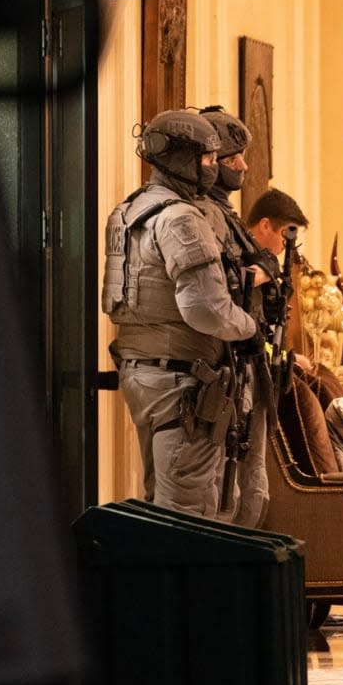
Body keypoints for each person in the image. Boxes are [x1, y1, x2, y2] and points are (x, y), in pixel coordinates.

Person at [101, 109, 260, 518]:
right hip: (182, 380)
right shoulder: (181, 217)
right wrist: (248, 327)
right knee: (190, 511)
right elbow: (206, 311)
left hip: (142, 373)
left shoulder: (128, 210)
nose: (212, 168)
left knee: (161, 500)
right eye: (206, 159)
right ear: (180, 158)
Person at [193, 104, 281, 528]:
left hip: (245, 363)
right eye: (231, 160)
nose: (243, 166)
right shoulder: (202, 214)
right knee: (227, 493)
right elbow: (224, 287)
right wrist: (263, 271)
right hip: (226, 364)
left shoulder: (224, 213)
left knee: (251, 487)